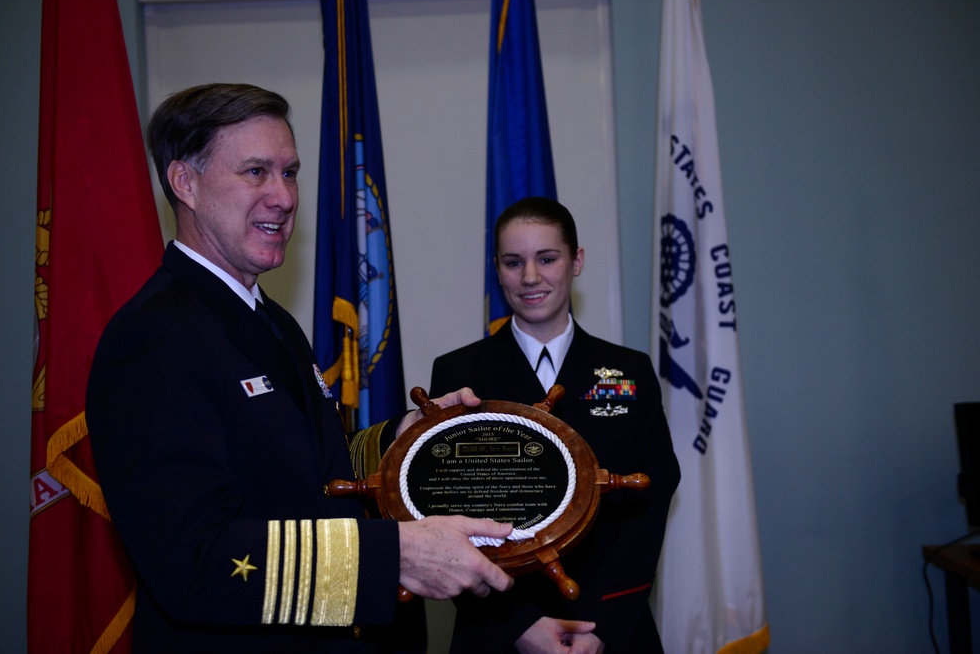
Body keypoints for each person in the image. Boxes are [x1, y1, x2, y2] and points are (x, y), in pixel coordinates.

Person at [86, 83, 513, 653]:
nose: (284, 197)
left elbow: (300, 473)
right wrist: (396, 554)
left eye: (289, 173)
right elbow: (194, 562)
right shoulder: (152, 338)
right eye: (256, 172)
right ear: (184, 182)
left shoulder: (271, 320)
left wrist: (397, 443)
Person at [427, 197, 681, 654]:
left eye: (547, 258)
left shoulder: (629, 371)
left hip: (613, 627)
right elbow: (445, 517)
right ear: (497, 268)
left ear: (576, 261)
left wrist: (601, 624)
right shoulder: (458, 375)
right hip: (498, 629)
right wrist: (519, 626)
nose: (529, 277)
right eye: (513, 262)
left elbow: (651, 501)